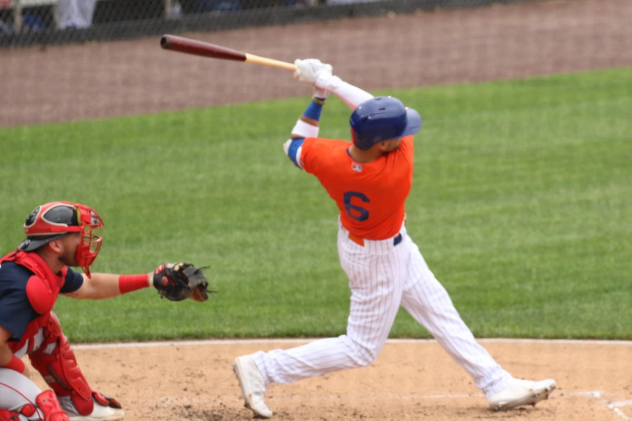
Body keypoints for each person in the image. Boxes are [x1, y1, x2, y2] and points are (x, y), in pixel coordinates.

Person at [232, 59, 557, 418]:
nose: (405, 135)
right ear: (385, 145)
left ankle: (496, 383)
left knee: (439, 309)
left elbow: (294, 145)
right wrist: (331, 83)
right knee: (361, 348)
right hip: (378, 260)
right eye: (397, 135)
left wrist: (319, 96)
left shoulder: (329, 157)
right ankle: (263, 368)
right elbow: (367, 102)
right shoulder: (395, 169)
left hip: (367, 245)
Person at [0, 201, 203, 421]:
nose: (86, 241)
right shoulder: (24, 285)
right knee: (43, 414)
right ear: (56, 245)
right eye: (78, 234)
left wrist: (150, 280)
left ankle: (73, 404)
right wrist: (19, 369)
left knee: (46, 327)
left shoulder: (41, 267)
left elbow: (90, 286)